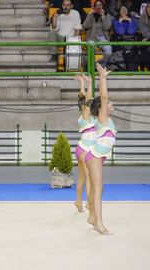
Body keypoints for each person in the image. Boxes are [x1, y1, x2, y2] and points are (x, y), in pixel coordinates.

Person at [85, 63, 117, 235]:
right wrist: (102, 78)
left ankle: (92, 216)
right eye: (109, 103)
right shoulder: (103, 118)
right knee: (97, 190)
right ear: (102, 108)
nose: (111, 104)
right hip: (95, 156)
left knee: (99, 189)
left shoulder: (108, 120)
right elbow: (103, 98)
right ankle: (99, 224)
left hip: (98, 157)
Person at [73, 73, 94, 213]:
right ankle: (90, 204)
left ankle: (78, 201)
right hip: (86, 149)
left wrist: (82, 83)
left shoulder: (83, 116)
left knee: (82, 177)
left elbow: (83, 97)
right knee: (90, 179)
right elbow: (88, 98)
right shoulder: (86, 115)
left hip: (81, 148)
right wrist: (90, 84)